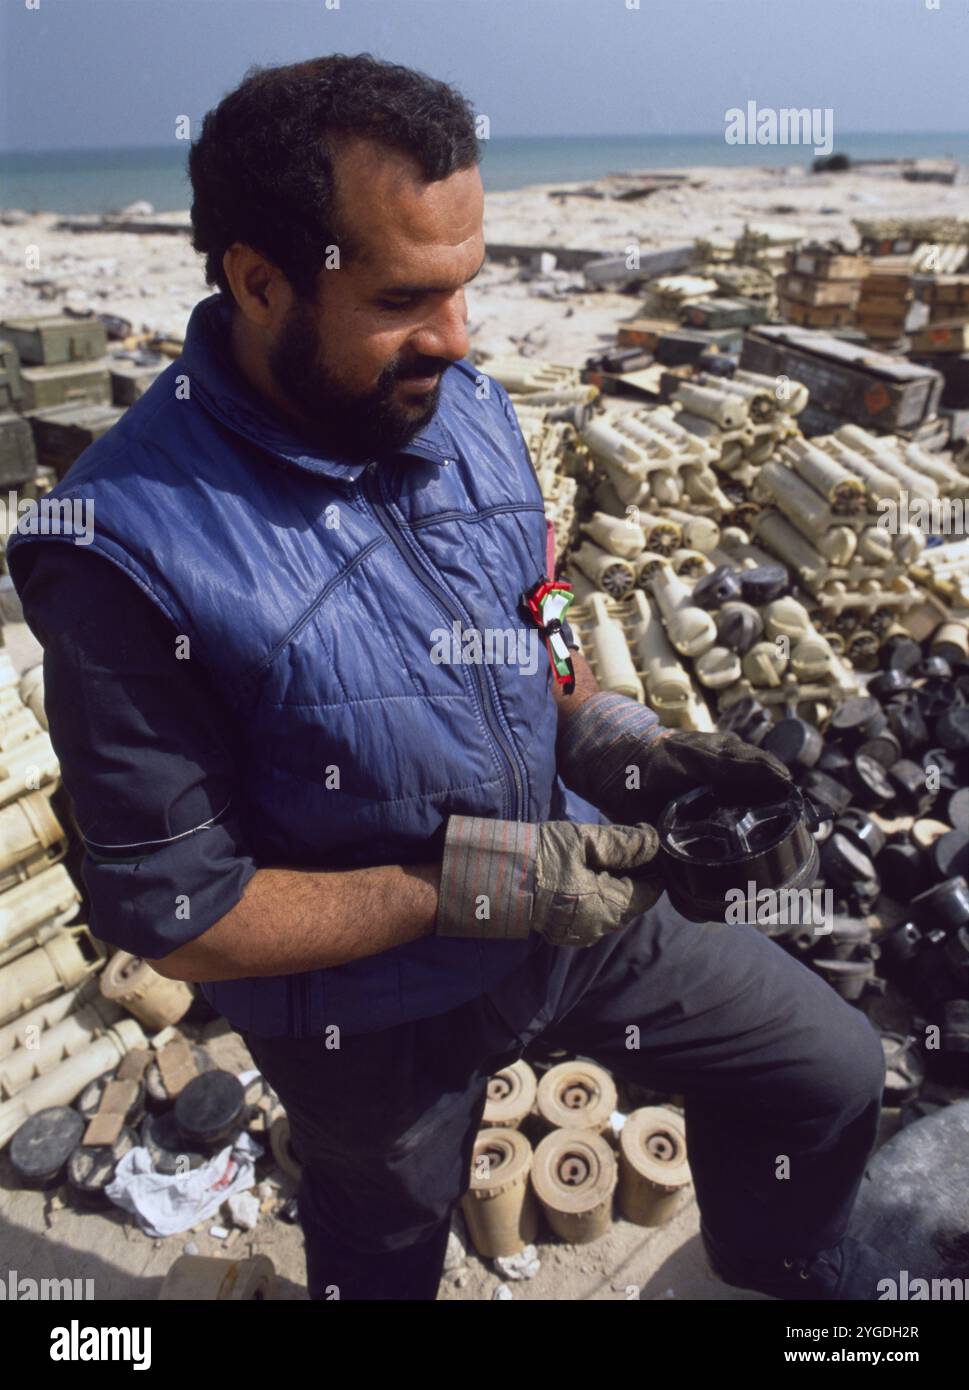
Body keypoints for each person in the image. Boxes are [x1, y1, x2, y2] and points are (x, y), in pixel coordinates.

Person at [8, 53, 886, 1302]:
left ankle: (769, 1266)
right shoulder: (121, 551)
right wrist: (486, 885)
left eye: (468, 287)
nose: (458, 338)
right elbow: (184, 917)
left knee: (830, 1066)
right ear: (260, 282)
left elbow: (540, 618)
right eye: (407, 297)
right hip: (371, 1029)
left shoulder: (460, 408)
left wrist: (627, 744)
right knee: (384, 1262)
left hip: (576, 911)